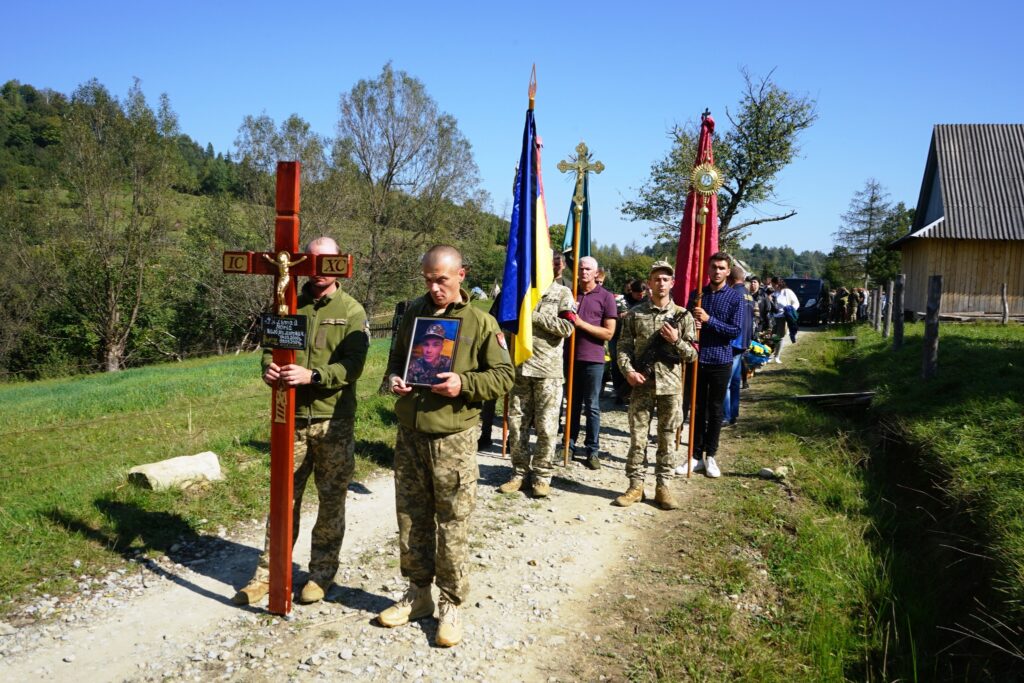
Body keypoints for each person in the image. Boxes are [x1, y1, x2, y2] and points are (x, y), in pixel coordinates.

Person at [379, 245, 514, 647]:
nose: (434, 287)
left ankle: (451, 604)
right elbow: (396, 361)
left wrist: (464, 384)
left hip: (453, 438)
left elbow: (504, 376)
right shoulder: (413, 316)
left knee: (452, 523)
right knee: (411, 517)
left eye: (442, 279)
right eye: (428, 279)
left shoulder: (479, 321)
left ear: (461, 274)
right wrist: (394, 381)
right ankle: (418, 594)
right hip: (411, 433)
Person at [233, 237, 369, 606]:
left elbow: (354, 365)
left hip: (333, 420)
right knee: (283, 498)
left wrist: (315, 377)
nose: (319, 272)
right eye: (313, 263)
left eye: (327, 264)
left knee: (330, 500)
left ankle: (321, 574)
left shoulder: (352, 310)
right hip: (288, 418)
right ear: (303, 263)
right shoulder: (288, 301)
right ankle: (268, 574)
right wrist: (269, 369)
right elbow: (268, 347)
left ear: (338, 265)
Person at [615, 261, 697, 508]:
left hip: (671, 387)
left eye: (665, 279)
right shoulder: (635, 314)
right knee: (638, 437)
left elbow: (692, 355)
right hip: (642, 385)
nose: (661, 283)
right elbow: (623, 348)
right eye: (656, 279)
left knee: (668, 438)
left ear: (672, 283)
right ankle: (635, 486)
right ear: (649, 283)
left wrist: (676, 341)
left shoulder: (683, 315)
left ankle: (663, 487)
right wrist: (628, 372)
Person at [498, 250, 576, 498]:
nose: (550, 266)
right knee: (517, 423)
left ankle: (542, 476)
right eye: (544, 262)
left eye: (555, 263)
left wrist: (535, 316)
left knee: (546, 426)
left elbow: (568, 327)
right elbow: (505, 323)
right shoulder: (522, 292)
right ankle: (519, 473)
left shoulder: (563, 293)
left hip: (548, 371)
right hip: (521, 367)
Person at [687, 252, 743, 478]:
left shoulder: (734, 298)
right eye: (714, 267)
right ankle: (694, 455)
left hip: (721, 359)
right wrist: (693, 323)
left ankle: (711, 455)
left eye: (721, 268)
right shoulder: (698, 295)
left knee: (715, 409)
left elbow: (734, 331)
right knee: (697, 408)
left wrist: (710, 321)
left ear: (728, 271)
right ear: (708, 270)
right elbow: (686, 324)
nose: (717, 271)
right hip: (697, 358)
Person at [565, 255, 618, 470]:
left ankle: (592, 450)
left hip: (593, 360)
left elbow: (608, 333)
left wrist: (580, 323)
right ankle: (568, 444)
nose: (583, 272)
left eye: (588, 269)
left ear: (596, 273)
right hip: (569, 358)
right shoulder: (569, 294)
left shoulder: (605, 297)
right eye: (580, 269)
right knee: (571, 405)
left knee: (592, 407)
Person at [722, 265, 753, 425]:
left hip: (734, 342)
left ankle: (726, 416)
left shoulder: (734, 294)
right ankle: (733, 413)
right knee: (735, 382)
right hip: (744, 342)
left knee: (726, 382)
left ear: (730, 279)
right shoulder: (748, 295)